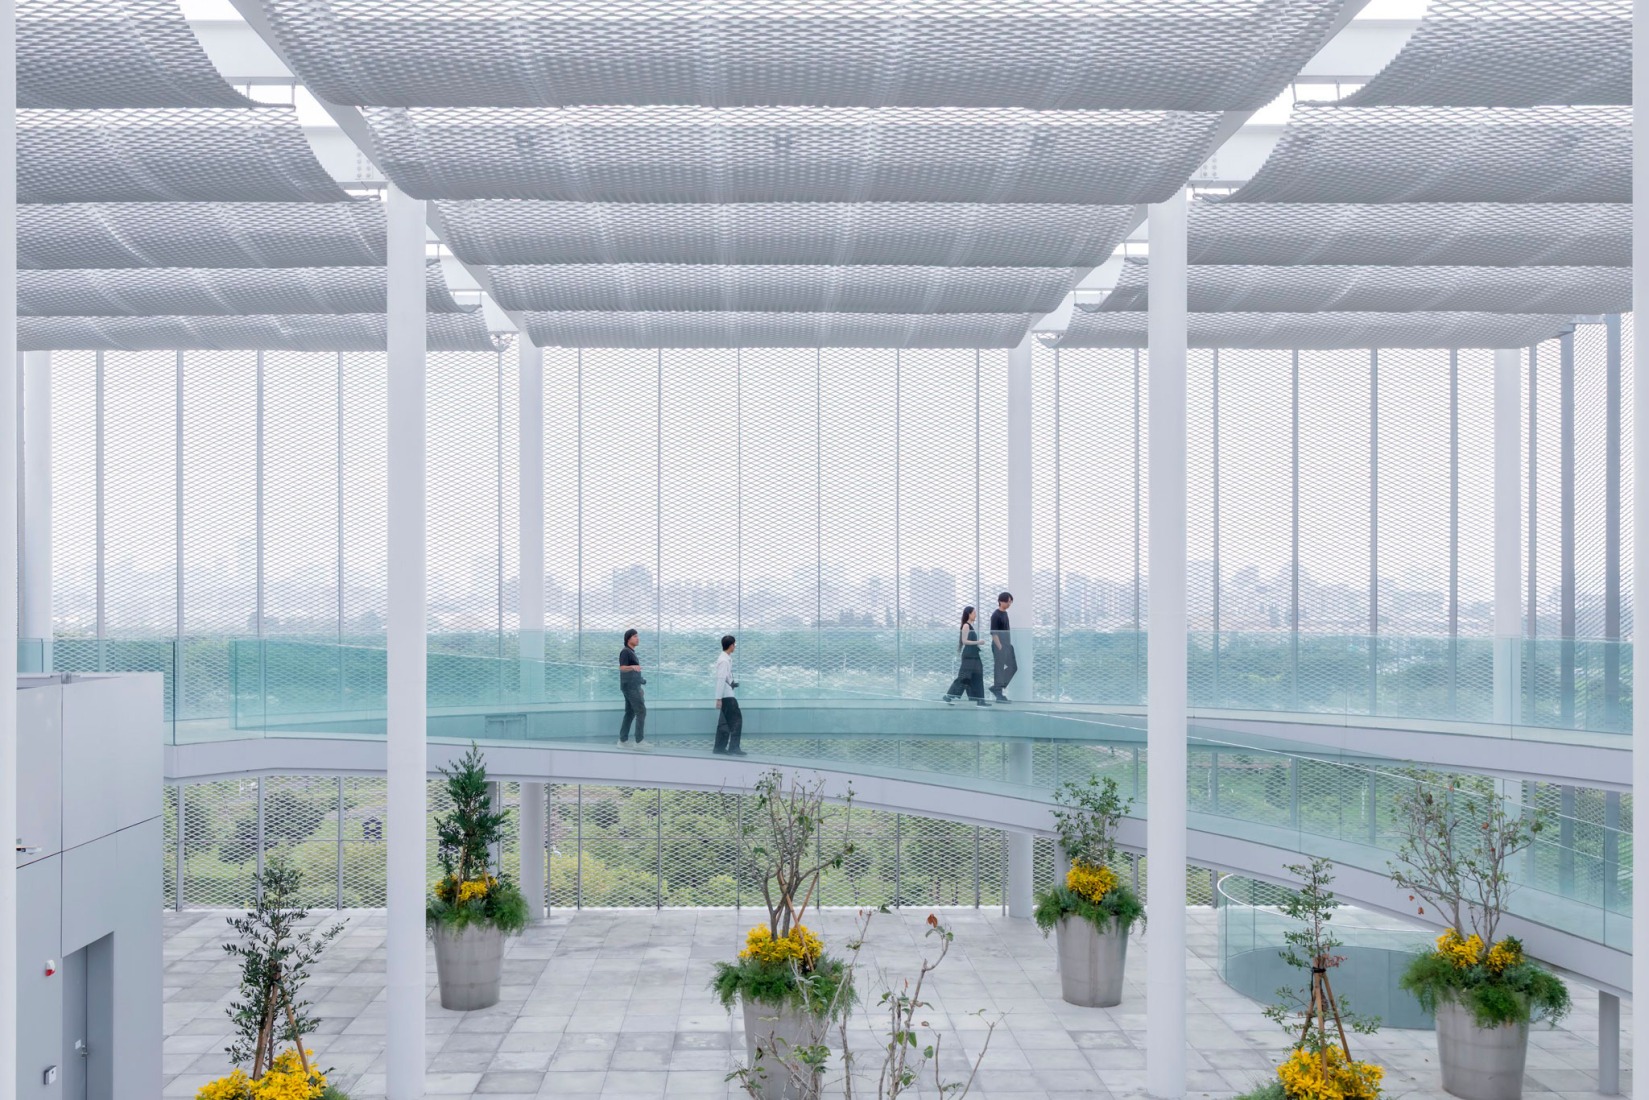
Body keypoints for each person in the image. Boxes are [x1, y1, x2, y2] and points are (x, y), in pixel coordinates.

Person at [942, 606, 990, 707]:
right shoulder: (966, 626)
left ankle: (980, 700)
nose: (975, 614)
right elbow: (964, 641)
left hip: (974, 654)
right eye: (974, 613)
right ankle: (949, 695)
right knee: (964, 677)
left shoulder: (970, 626)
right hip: (969, 655)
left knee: (977, 676)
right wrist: (978, 642)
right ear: (969, 614)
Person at [713, 634, 746, 756]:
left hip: (726, 694)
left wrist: (732, 683)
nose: (735, 646)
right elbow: (720, 679)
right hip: (727, 696)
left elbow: (725, 678)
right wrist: (718, 698)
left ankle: (719, 747)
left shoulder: (725, 658)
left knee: (724, 722)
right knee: (737, 720)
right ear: (731, 645)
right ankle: (734, 748)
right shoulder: (724, 661)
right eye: (734, 644)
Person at [618, 628, 647, 747]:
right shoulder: (625, 651)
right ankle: (639, 741)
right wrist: (633, 667)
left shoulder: (631, 652)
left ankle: (623, 741)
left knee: (630, 712)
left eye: (637, 636)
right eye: (635, 636)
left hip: (632, 686)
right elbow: (622, 668)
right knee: (641, 711)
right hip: (630, 687)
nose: (637, 638)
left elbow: (634, 671)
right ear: (628, 639)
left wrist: (640, 684)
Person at [990, 591, 1018, 703]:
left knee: (1013, 667)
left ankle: (996, 688)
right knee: (999, 669)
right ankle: (999, 694)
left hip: (1007, 645)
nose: (1009, 604)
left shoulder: (1005, 613)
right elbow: (993, 633)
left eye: (1011, 602)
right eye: (1008, 601)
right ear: (1001, 601)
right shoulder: (995, 615)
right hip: (999, 646)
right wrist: (1000, 646)